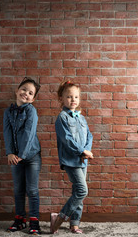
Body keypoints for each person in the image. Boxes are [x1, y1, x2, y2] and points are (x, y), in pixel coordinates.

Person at [50, 80, 93, 234]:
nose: (73, 100)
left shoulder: (81, 118)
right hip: (71, 160)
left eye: (76, 97)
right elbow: (67, 140)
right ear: (61, 98)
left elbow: (89, 136)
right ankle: (59, 218)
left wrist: (86, 151)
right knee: (82, 190)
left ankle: (74, 223)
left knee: (77, 191)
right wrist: (82, 152)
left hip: (83, 160)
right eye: (69, 97)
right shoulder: (62, 118)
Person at [3, 77, 41, 235]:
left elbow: (29, 133)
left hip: (31, 156)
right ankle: (20, 219)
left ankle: (34, 221)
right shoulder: (8, 111)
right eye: (24, 89)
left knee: (32, 189)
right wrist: (10, 152)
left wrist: (22, 155)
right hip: (15, 157)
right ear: (17, 90)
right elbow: (7, 133)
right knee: (18, 189)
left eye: (30, 93)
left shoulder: (31, 110)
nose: (26, 93)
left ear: (33, 99)